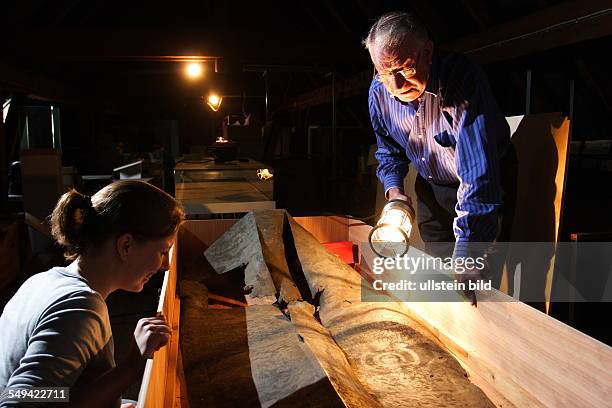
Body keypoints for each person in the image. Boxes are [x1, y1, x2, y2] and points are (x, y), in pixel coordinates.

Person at [364, 11, 517, 304]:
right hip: (432, 181)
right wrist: (395, 192)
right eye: (384, 73)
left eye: (405, 69)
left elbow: (478, 176)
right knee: (439, 268)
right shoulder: (379, 93)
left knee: (476, 275)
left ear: (428, 52)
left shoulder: (461, 82)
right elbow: (389, 152)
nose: (395, 86)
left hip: (487, 181)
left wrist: (468, 251)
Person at [0, 180, 185, 407]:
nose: (165, 265)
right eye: (162, 251)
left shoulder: (40, 281)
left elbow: (53, 393)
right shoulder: (79, 308)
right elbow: (19, 399)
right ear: (126, 245)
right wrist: (132, 364)